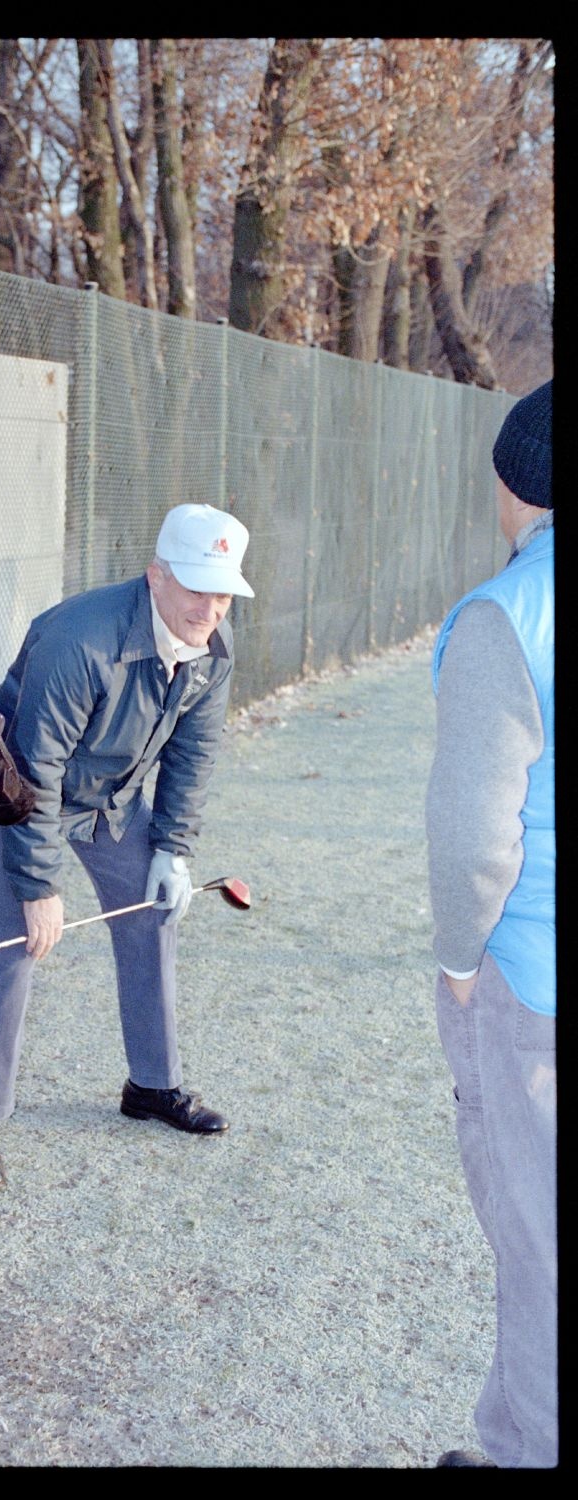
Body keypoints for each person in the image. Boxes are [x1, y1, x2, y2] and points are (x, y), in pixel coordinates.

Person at [0, 503, 255, 1188]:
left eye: (223, 590)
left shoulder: (213, 650)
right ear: (155, 576)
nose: (210, 607)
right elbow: (36, 768)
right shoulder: (79, 640)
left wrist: (172, 851)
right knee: (15, 940)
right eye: (197, 587)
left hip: (111, 800)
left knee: (152, 912)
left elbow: (191, 758)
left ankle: (151, 1084)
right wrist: (38, 887)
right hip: (25, 794)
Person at [425, 380, 555, 1468]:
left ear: (512, 486)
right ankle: (509, 1433)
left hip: (536, 984)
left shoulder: (506, 614)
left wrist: (458, 957)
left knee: (538, 1243)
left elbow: (475, 833)